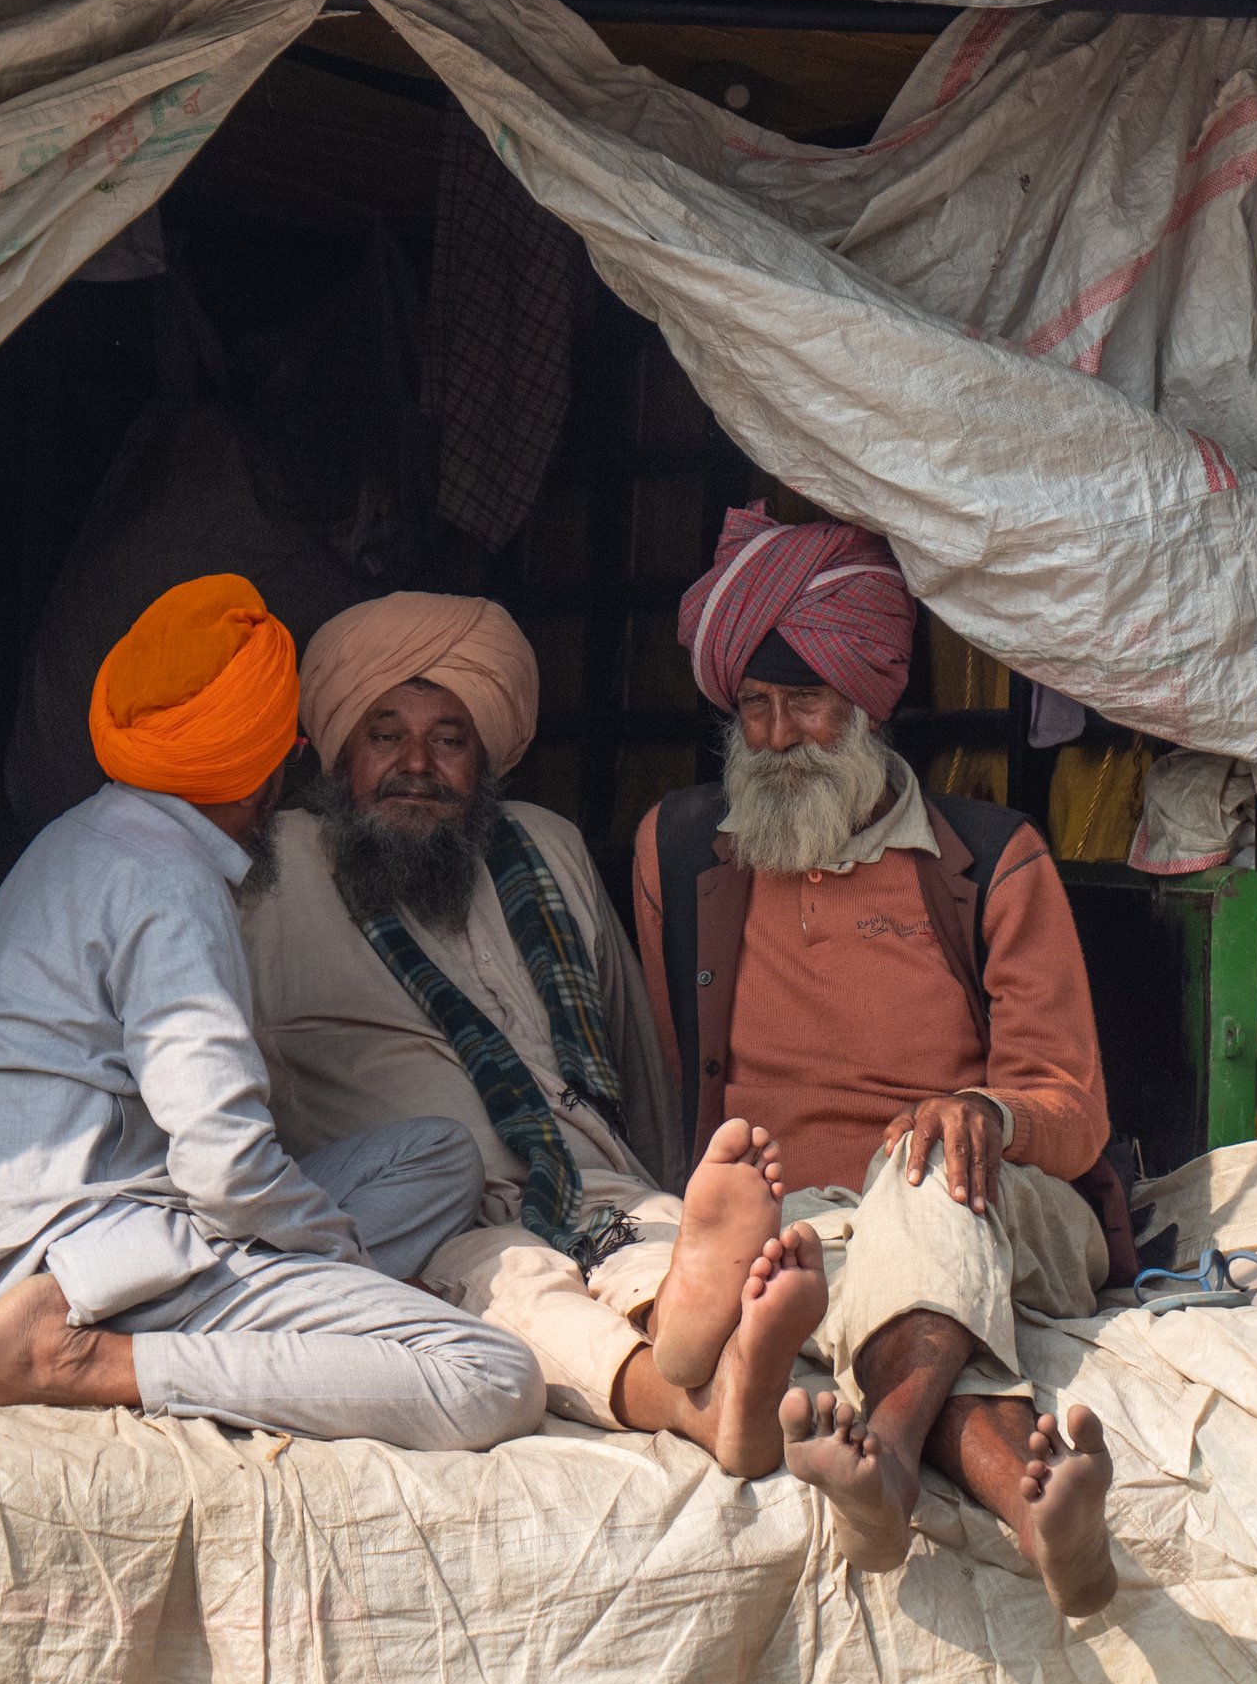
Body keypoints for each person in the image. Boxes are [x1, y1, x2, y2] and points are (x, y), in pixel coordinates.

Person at [0, 574, 543, 1453]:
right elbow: (226, 1169)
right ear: (269, 772)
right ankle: (92, 1361)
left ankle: (226, 1323)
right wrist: (335, 1262)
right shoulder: (173, 887)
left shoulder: (87, 831)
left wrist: (307, 1248)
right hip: (67, 1248)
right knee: (492, 1378)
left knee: (437, 1156)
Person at [635, 506, 1121, 1616]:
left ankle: (888, 1452)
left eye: (806, 703)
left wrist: (986, 1115)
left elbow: (1073, 1107)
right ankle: (1040, 1516)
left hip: (1004, 1202)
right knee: (856, 1282)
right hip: (812, 1226)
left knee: (923, 1175)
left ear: (866, 705)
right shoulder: (679, 853)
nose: (775, 737)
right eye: (752, 708)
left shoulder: (986, 858)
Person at [241, 592, 824, 1478]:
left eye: (449, 738)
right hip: (438, 1207)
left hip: (590, 1176)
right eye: (384, 734)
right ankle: (697, 1404)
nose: (417, 765)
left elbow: (634, 1045)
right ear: (337, 752)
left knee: (664, 1236)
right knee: (518, 1293)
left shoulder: (545, 847)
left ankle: (689, 1315)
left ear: (485, 757)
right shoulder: (270, 873)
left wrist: (663, 1172)